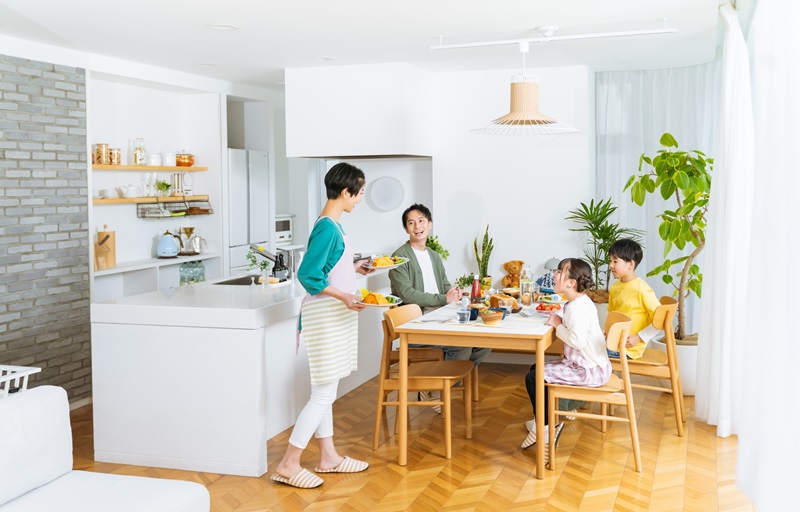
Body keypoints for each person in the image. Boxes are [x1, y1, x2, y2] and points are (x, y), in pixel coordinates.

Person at [272, 163, 373, 489]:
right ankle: (289, 463)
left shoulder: (334, 227)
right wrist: (344, 295)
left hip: (334, 315)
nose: (359, 200)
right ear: (346, 192)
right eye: (359, 194)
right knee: (323, 393)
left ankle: (328, 457)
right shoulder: (328, 227)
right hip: (325, 316)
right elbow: (308, 275)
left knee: (325, 391)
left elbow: (327, 268)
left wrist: (353, 270)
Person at [388, 203, 491, 411]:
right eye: (411, 223)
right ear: (406, 229)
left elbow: (444, 286)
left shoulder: (434, 256)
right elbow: (407, 294)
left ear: (430, 224)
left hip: (440, 319)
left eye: (421, 221)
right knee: (461, 346)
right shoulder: (399, 258)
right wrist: (443, 299)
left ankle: (439, 387)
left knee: (484, 343)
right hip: (416, 326)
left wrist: (455, 292)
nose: (417, 226)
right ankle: (441, 391)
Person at [521, 258, 611, 456]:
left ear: (571, 283)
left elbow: (577, 341)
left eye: (560, 272)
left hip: (588, 371)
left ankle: (545, 430)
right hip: (590, 365)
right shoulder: (578, 302)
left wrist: (557, 324)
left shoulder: (578, 308)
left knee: (533, 378)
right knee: (536, 370)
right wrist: (560, 320)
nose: (555, 275)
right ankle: (541, 421)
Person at [607, 239, 661, 360]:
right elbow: (613, 315)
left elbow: (661, 320)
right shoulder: (615, 286)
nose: (611, 265)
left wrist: (639, 337)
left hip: (629, 349)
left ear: (630, 264)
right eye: (610, 261)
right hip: (613, 342)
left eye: (615, 261)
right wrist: (607, 332)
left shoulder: (642, 290)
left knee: (586, 352)